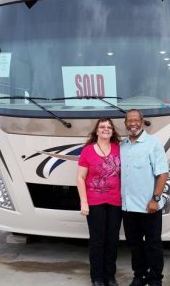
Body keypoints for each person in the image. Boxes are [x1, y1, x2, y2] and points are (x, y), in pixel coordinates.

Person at [120, 109, 169, 286]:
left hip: (149, 207)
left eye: (136, 120)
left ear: (142, 121)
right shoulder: (122, 145)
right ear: (125, 123)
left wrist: (155, 199)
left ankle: (155, 278)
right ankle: (139, 275)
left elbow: (163, 173)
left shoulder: (153, 143)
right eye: (129, 120)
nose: (132, 123)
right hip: (127, 207)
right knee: (134, 245)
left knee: (153, 244)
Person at [77, 118, 122, 286]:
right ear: (96, 131)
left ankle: (110, 276)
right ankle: (96, 277)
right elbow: (80, 178)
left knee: (112, 240)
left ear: (112, 131)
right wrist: (84, 202)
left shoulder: (119, 149)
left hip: (116, 202)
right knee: (97, 241)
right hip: (95, 202)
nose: (106, 129)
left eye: (109, 127)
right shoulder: (87, 151)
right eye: (102, 127)